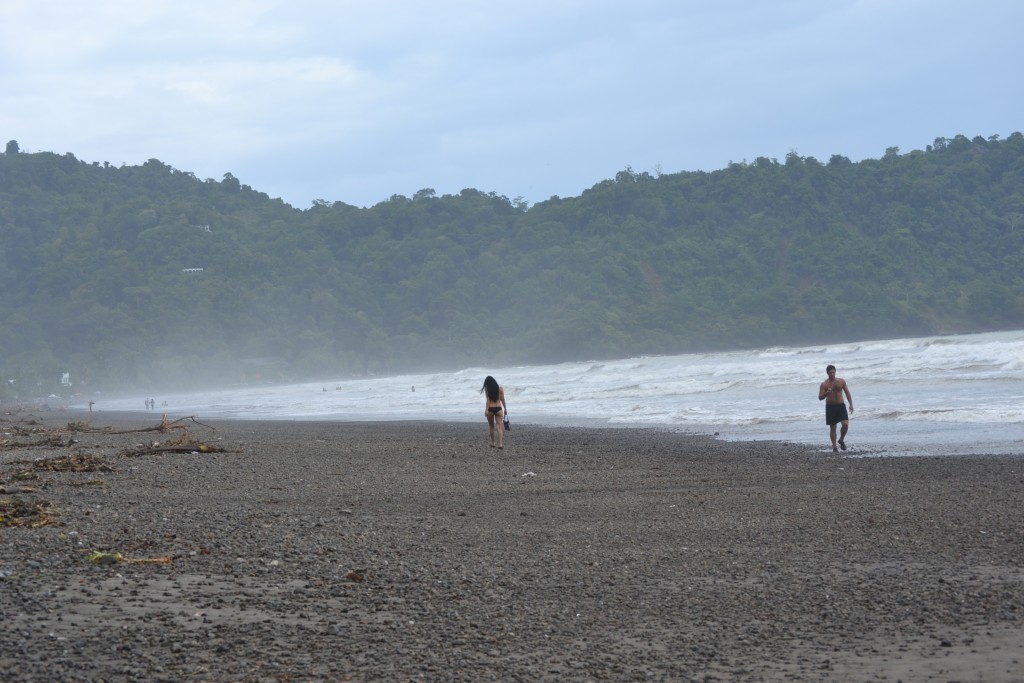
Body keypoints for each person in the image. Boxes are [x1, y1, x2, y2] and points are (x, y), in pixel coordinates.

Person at [818, 364, 853, 453]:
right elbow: (820, 397)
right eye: (830, 373)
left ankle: (841, 439)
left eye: (833, 372)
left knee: (845, 425)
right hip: (830, 407)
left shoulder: (841, 381)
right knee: (833, 428)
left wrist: (851, 404)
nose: (832, 374)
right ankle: (834, 447)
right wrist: (826, 393)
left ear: (835, 372)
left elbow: (847, 393)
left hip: (841, 406)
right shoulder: (824, 384)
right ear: (827, 373)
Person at [480, 375, 508, 449]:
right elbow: (503, 399)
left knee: (491, 427)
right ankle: (500, 444)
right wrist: (505, 409)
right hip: (499, 408)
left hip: (491, 409)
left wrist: (486, 410)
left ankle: (493, 443)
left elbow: (488, 400)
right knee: (499, 426)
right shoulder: (500, 389)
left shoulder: (488, 390)